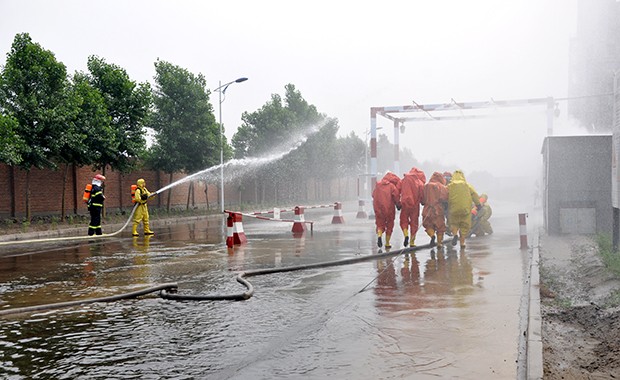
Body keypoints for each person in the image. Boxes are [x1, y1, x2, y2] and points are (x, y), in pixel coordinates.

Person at [447, 170, 481, 249]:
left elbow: (444, 195)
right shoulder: (468, 186)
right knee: (464, 226)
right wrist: (478, 205)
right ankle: (462, 243)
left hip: (453, 210)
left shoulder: (449, 186)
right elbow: (474, 195)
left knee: (454, 224)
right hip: (465, 210)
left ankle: (455, 235)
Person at [372, 171, 401, 248]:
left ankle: (379, 235)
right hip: (389, 209)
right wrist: (398, 205)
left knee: (379, 224)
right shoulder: (392, 186)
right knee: (390, 225)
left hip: (378, 208)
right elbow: (396, 197)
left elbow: (373, 195)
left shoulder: (378, 185)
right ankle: (387, 243)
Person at [399, 167, 426, 247]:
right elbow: (422, 195)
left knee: (404, 221)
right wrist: (422, 202)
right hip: (415, 205)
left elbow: (398, 189)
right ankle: (412, 242)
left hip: (405, 204)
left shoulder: (404, 179)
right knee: (414, 223)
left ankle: (406, 234)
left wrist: (398, 202)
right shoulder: (419, 182)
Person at [421, 172, 448, 247]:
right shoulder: (442, 187)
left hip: (427, 209)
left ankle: (432, 235)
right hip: (438, 210)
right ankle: (439, 243)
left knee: (428, 225)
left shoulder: (426, 186)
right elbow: (445, 198)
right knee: (440, 227)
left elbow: (422, 199)